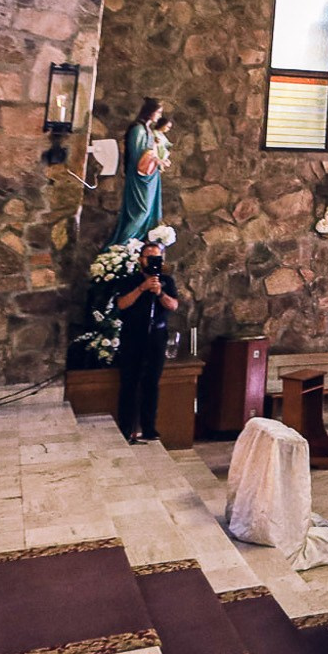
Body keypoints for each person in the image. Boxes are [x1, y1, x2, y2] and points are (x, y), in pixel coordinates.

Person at [112, 227, 183, 444]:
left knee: (151, 383)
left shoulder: (167, 281)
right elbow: (121, 304)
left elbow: (173, 305)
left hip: (156, 337)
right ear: (141, 259)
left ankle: (149, 427)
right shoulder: (130, 280)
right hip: (133, 336)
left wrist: (159, 291)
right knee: (129, 382)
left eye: (157, 258)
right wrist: (142, 288)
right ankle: (126, 427)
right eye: (149, 257)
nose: (153, 262)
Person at [111, 97, 170, 243]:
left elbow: (149, 151)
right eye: (158, 112)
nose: (160, 116)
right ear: (150, 112)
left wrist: (159, 158)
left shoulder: (148, 130)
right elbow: (138, 155)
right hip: (140, 177)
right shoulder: (138, 129)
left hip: (150, 177)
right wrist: (157, 160)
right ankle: (122, 246)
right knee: (141, 212)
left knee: (149, 212)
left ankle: (139, 246)